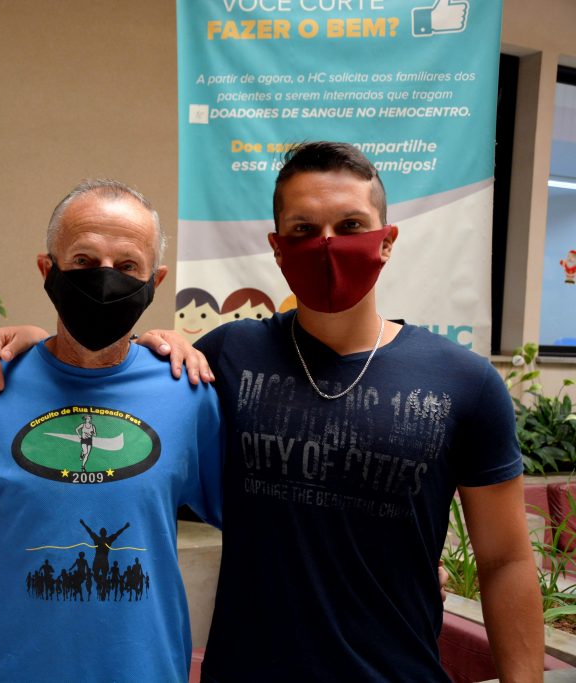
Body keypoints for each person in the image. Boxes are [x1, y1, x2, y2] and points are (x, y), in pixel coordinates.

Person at [194, 141, 542, 680]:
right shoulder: (226, 355)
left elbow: (505, 561)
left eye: (351, 225)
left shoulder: (465, 382)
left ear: (386, 241)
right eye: (304, 229)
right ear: (278, 247)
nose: (327, 244)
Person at [0, 179, 224, 682]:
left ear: (155, 280)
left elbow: (258, 529)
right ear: (47, 270)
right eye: (84, 260)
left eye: (128, 266)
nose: (105, 278)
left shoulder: (187, 392)